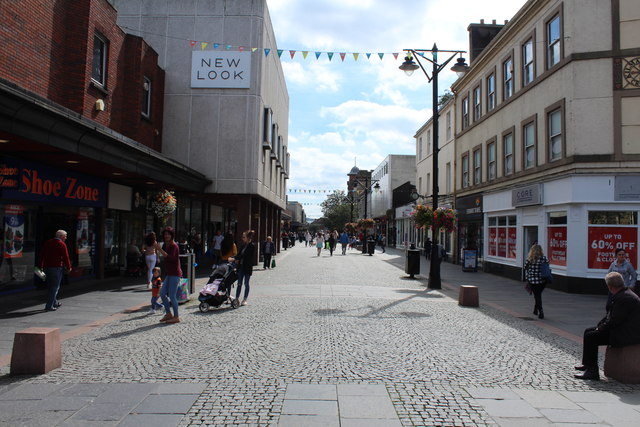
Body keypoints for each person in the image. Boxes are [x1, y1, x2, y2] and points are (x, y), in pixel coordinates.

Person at [574, 272, 640, 380]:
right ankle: (587, 363)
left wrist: (601, 328)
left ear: (609, 286)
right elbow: (611, 317)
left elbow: (614, 320)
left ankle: (592, 371)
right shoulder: (624, 294)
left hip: (627, 334)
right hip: (624, 329)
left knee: (592, 337)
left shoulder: (624, 298)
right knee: (588, 331)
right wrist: (600, 326)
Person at [155, 227, 182, 324]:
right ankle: (168, 313)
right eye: (165, 234)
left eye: (168, 234)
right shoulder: (166, 245)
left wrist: (160, 249)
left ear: (171, 235)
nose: (166, 236)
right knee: (162, 293)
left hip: (174, 274)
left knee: (172, 295)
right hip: (169, 273)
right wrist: (158, 251)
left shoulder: (174, 246)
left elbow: (171, 258)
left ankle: (176, 316)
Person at [39, 230, 72, 311]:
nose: (66, 238)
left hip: (47, 267)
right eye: (65, 236)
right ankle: (49, 306)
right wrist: (69, 267)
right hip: (56, 268)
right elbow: (66, 257)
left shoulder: (48, 242)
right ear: (60, 236)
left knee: (51, 286)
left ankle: (54, 302)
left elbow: (42, 254)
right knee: (55, 287)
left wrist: (40, 266)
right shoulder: (61, 244)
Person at [230, 230, 256, 306]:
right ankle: (237, 298)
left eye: (244, 237)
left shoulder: (252, 246)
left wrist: (234, 259)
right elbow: (238, 255)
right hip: (240, 267)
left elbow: (245, 256)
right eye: (242, 237)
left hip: (247, 267)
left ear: (248, 237)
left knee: (246, 283)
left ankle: (245, 299)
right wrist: (232, 257)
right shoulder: (243, 246)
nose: (242, 238)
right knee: (239, 283)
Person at [524, 244, 549, 319]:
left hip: (533, 280)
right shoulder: (544, 258)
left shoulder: (530, 259)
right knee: (538, 294)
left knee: (537, 295)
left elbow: (525, 267)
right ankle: (535, 309)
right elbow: (547, 266)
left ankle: (540, 311)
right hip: (542, 280)